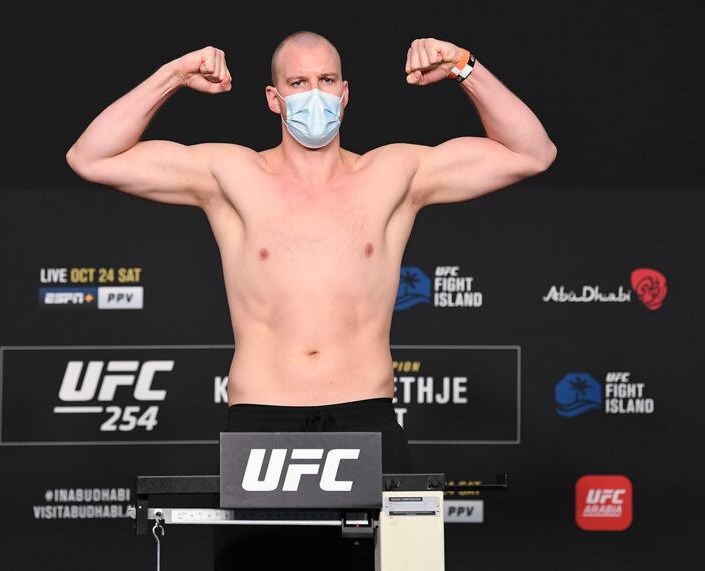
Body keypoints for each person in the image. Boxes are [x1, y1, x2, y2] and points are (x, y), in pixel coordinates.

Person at [66, 30, 556, 570]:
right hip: (261, 426)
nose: (313, 95)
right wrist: (175, 75)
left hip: (366, 422)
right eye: (297, 83)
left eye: (325, 81)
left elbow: (532, 152)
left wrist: (463, 65)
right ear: (274, 99)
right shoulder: (231, 175)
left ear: (345, 93)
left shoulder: (392, 174)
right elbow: (91, 157)